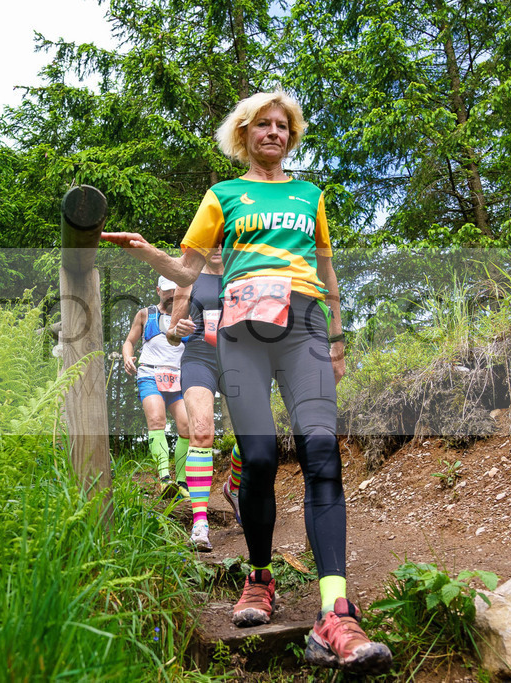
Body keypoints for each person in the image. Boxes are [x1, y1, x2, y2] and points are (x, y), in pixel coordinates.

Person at [102, 91, 391, 673]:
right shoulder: (223, 195)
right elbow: (188, 269)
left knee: (319, 447)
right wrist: (145, 250)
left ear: (292, 136)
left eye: (284, 126)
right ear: (244, 134)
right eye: (264, 124)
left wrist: (336, 336)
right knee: (258, 457)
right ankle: (260, 578)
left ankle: (335, 611)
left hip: (304, 322)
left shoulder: (311, 196)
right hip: (240, 332)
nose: (275, 133)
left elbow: (326, 266)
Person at [165, 248, 244, 553]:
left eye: (221, 240)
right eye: (209, 241)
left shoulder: (245, 271)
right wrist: (178, 330)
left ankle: (233, 488)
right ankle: (200, 522)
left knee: (253, 438)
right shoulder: (189, 277)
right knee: (202, 432)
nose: (215, 247)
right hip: (199, 358)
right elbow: (172, 333)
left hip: (240, 360)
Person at [121, 275, 190, 496]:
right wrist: (127, 357)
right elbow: (129, 342)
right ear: (159, 290)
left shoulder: (188, 316)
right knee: (157, 420)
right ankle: (164, 478)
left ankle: (181, 481)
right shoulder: (145, 314)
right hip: (150, 373)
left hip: (178, 378)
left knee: (186, 426)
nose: (172, 295)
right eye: (168, 291)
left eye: (175, 291)